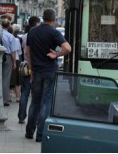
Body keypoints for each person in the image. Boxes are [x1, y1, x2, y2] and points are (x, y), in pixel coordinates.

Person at [25, 9, 71, 142]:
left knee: (35, 101)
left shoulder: (32, 32)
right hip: (50, 71)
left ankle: (29, 132)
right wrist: (56, 54)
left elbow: (27, 53)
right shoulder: (54, 32)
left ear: (43, 18)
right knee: (46, 102)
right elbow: (68, 48)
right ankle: (40, 134)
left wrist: (31, 69)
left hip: (37, 71)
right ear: (54, 19)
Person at [18, 16, 41, 124]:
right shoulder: (37, 35)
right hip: (35, 67)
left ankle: (22, 116)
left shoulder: (24, 36)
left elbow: (24, 52)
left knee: (25, 92)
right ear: (36, 24)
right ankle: (35, 118)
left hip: (26, 67)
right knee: (36, 94)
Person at [1, 18, 19, 107]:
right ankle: (4, 99)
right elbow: (13, 52)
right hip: (7, 57)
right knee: (6, 79)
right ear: (9, 26)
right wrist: (14, 62)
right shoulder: (10, 36)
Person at [10, 24, 23, 103]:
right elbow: (19, 52)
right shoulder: (18, 40)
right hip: (17, 59)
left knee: (9, 78)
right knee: (18, 79)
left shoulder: (8, 37)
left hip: (8, 59)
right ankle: (18, 97)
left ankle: (8, 96)